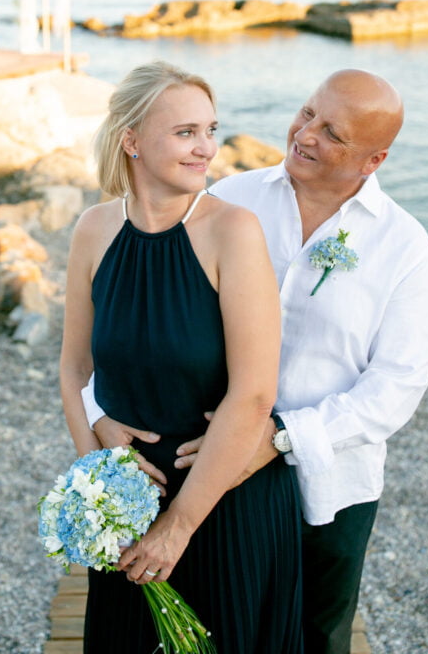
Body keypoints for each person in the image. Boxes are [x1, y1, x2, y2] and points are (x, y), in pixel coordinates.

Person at [84, 68, 428, 654]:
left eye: (332, 133)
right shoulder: (228, 198)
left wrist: (280, 437)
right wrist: (97, 410)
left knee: (319, 637)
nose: (305, 134)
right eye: (307, 113)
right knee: (221, 626)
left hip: (327, 486)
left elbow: (400, 382)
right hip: (211, 475)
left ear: (373, 160)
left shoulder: (404, 246)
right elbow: (137, 315)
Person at [59, 60, 303, 654]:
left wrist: (178, 527)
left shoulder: (233, 232)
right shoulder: (93, 230)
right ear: (132, 141)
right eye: (186, 132)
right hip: (129, 507)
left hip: (223, 502)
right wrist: (99, 475)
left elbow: (254, 394)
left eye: (210, 130)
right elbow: (74, 369)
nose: (207, 149)